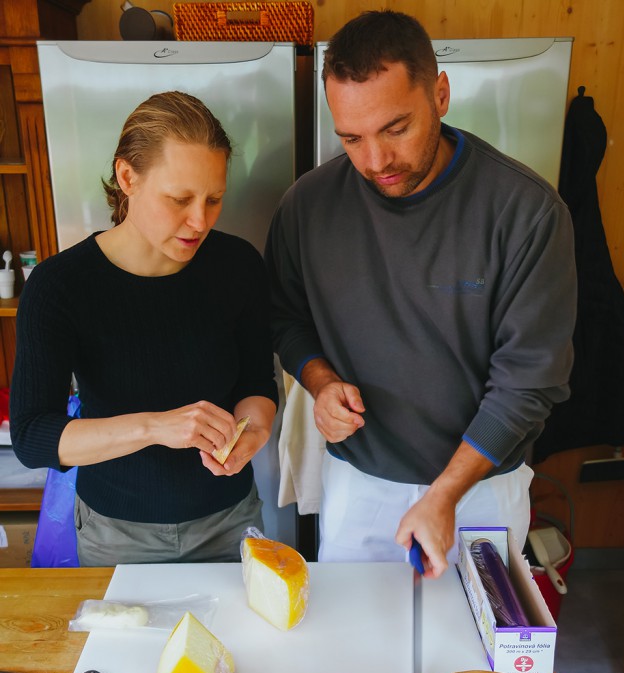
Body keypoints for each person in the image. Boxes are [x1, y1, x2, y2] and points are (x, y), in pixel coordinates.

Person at [265, 11, 577, 578]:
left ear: (440, 93)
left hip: (483, 489)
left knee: (474, 659)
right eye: (352, 139)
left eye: (395, 128)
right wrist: (320, 381)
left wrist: (446, 494)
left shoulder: (526, 212)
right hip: (360, 485)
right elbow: (285, 318)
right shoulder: (307, 209)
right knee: (355, 654)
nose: (376, 161)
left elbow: (530, 381)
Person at [10, 91, 278, 566]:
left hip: (230, 520)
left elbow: (257, 382)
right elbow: (33, 437)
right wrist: (156, 427)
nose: (200, 221)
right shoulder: (59, 286)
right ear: (127, 177)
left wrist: (254, 429)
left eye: (214, 199)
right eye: (179, 199)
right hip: (115, 533)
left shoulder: (238, 266)